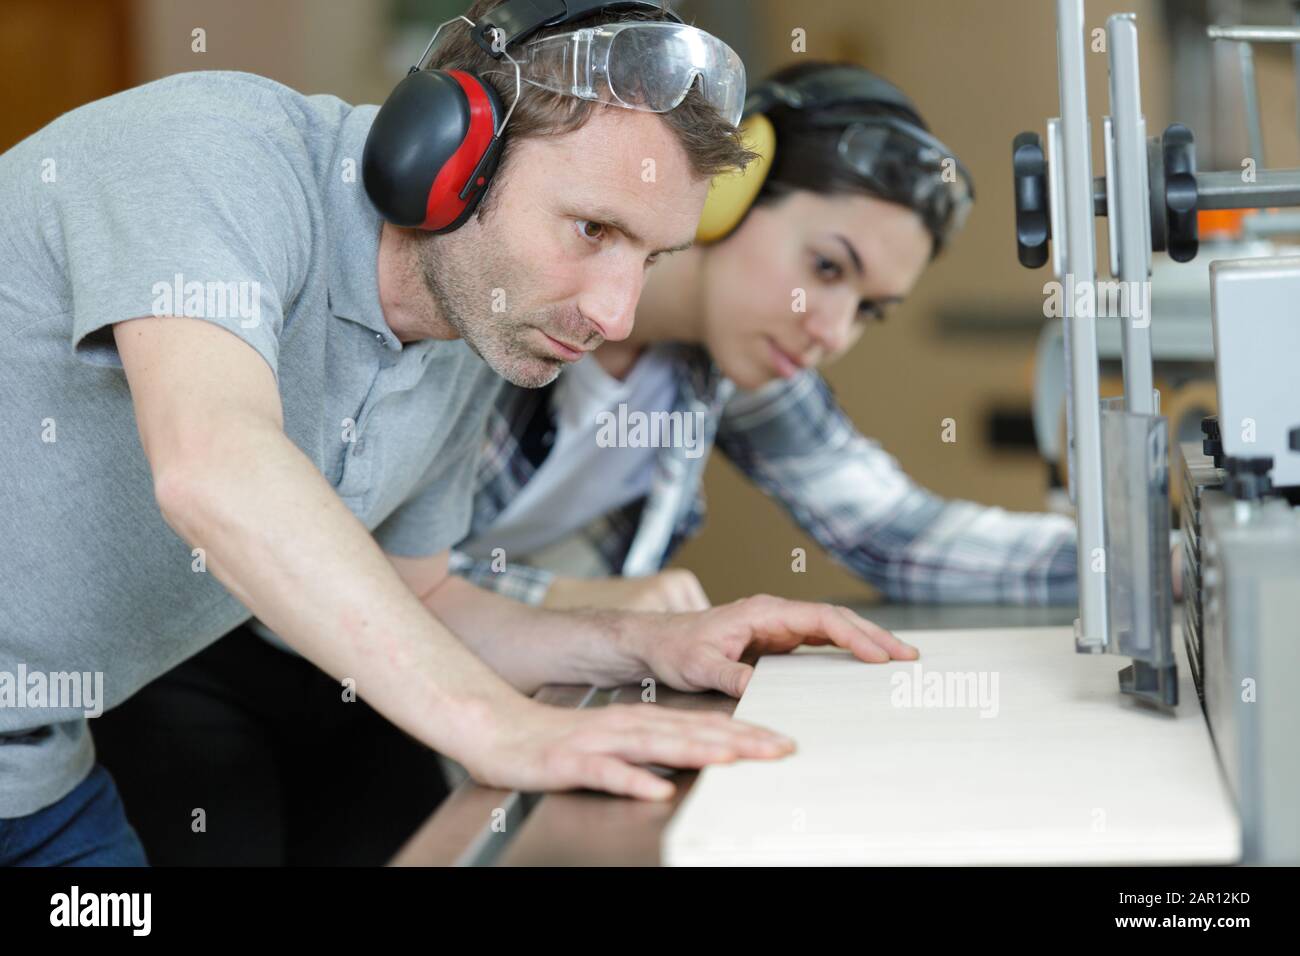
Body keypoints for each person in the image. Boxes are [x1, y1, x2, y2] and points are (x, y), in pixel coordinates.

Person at [0, 0, 917, 868]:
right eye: (592, 227)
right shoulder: (211, 152)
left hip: (36, 779)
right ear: (446, 153)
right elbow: (214, 465)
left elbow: (425, 596)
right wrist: (498, 725)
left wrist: (642, 647)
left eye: (653, 257)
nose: (615, 310)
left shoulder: (468, 337)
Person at [450, 60, 1080, 615]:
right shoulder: (502, 289)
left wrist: (1137, 565)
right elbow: (366, 556)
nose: (831, 332)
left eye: (869, 310)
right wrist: (565, 603)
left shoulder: (730, 355)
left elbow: (896, 534)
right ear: (732, 188)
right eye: (827, 268)